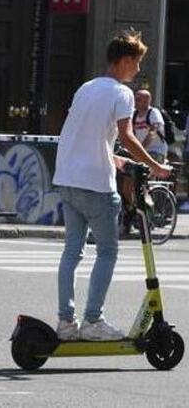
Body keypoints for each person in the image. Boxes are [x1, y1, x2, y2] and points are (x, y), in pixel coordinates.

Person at [52, 29, 171, 342]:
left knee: (71, 253)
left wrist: (114, 159)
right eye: (137, 63)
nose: (138, 69)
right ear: (125, 60)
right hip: (95, 184)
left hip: (67, 179)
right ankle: (93, 321)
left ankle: (66, 322)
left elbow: (83, 134)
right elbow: (127, 136)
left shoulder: (86, 88)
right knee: (107, 251)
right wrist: (154, 165)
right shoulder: (122, 93)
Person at [132, 89, 167, 163]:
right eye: (135, 99)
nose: (135, 102)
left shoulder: (154, 112)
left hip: (156, 151)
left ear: (147, 101)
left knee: (147, 172)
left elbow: (152, 133)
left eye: (138, 99)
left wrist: (140, 150)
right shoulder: (134, 114)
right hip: (142, 151)